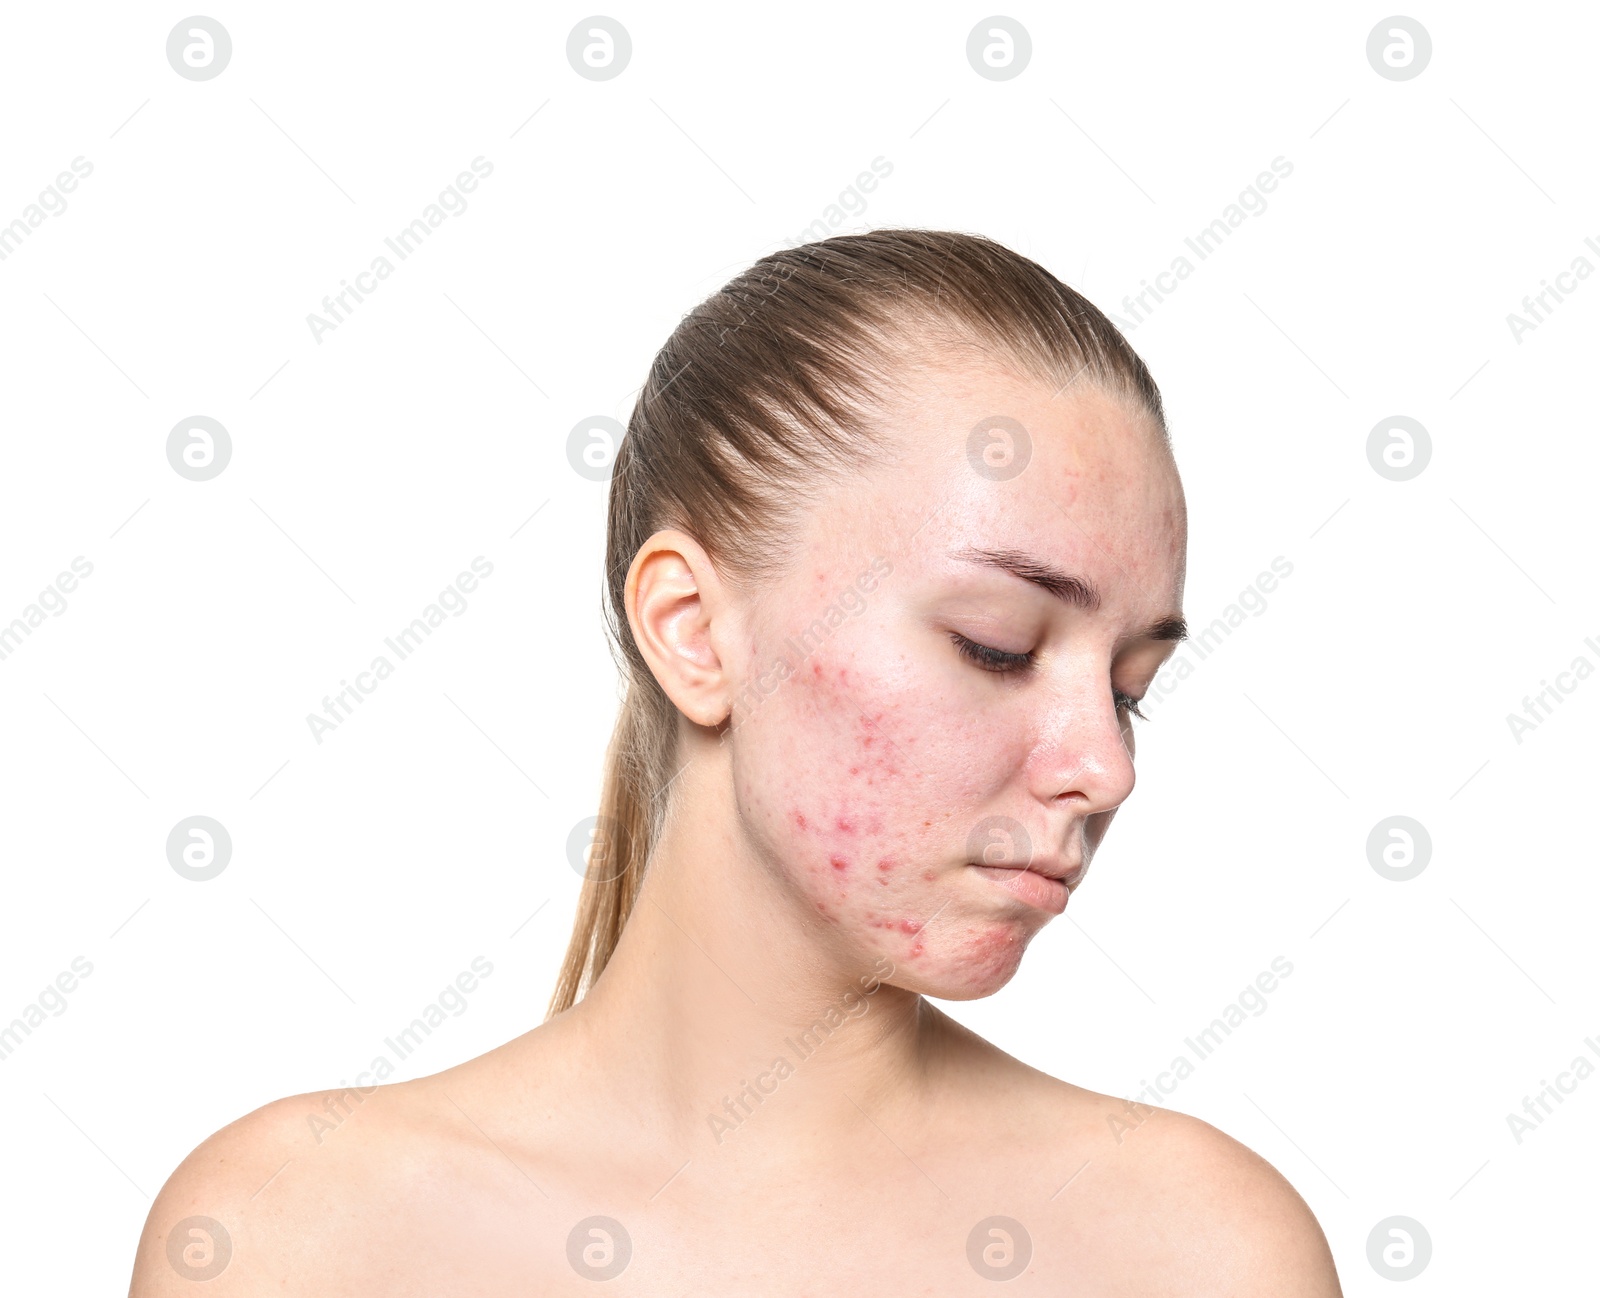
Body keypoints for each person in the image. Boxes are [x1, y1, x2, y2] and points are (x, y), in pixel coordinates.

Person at [129, 229, 1342, 1294]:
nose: (1102, 765)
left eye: (1131, 688)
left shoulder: (1198, 1252)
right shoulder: (290, 1239)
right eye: (996, 644)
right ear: (696, 632)